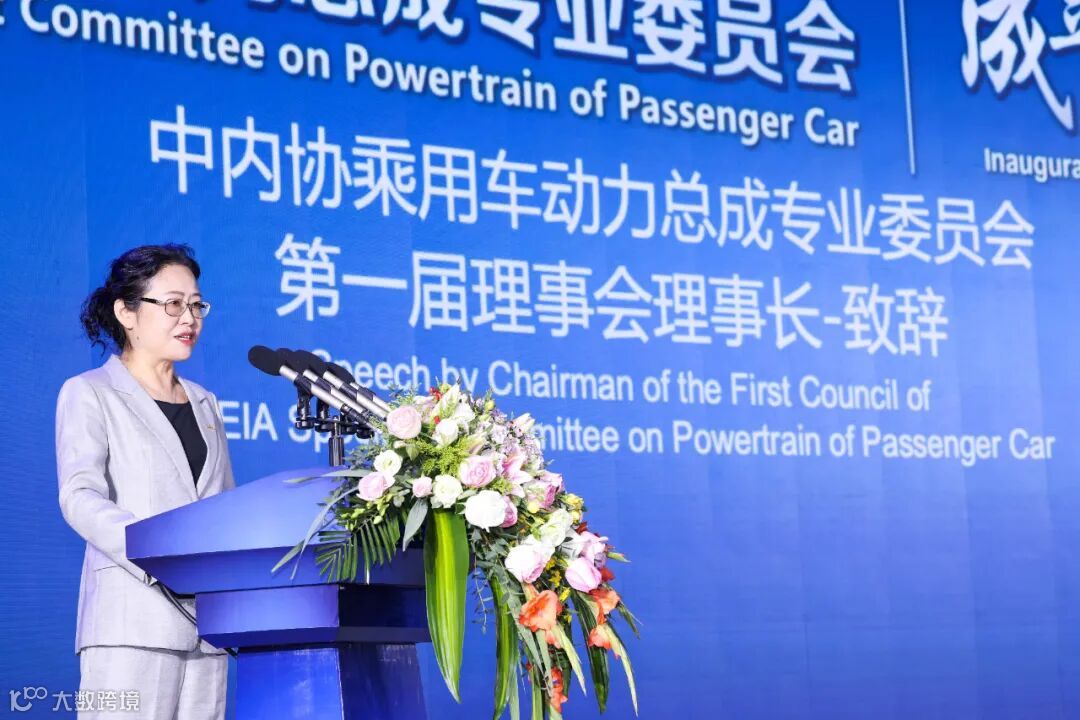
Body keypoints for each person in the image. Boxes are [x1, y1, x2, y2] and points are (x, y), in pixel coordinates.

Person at [56, 244, 235, 719]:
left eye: (196, 305)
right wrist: (153, 548)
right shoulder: (91, 392)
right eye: (173, 304)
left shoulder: (205, 402)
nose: (189, 318)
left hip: (207, 628)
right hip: (131, 622)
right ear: (126, 312)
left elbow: (224, 506)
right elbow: (78, 495)